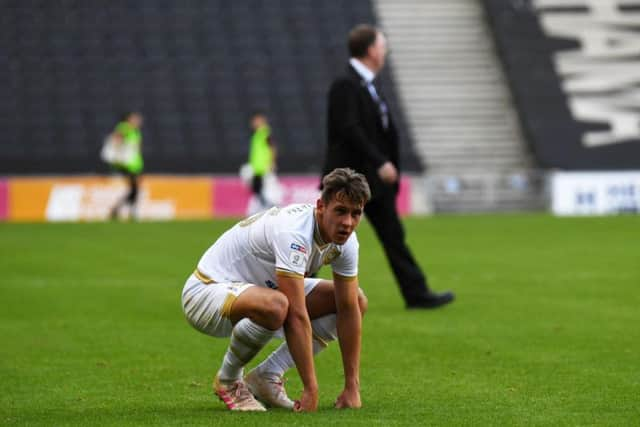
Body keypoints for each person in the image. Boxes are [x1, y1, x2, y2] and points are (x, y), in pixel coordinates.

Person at [182, 168, 369, 412]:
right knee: (278, 305)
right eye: (341, 211)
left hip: (258, 294)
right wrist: (311, 388)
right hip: (205, 293)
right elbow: (296, 314)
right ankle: (228, 380)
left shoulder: (346, 242)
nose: (348, 222)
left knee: (356, 300)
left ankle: (267, 376)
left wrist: (351, 387)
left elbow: (347, 308)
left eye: (356, 214)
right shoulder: (294, 232)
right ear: (321, 206)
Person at [322, 24, 454, 309]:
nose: (386, 51)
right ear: (370, 50)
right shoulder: (345, 84)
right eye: (383, 45)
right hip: (347, 182)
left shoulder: (369, 86)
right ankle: (290, 289)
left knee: (394, 236)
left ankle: (416, 294)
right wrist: (380, 161)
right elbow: (349, 129)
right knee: (323, 239)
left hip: (372, 182)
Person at [108, 111, 144, 220]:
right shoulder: (124, 127)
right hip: (127, 164)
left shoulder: (136, 131)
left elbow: (136, 147)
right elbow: (116, 139)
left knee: (135, 189)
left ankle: (120, 209)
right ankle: (127, 211)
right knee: (134, 189)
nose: (138, 121)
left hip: (136, 164)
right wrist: (117, 155)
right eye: (135, 118)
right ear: (129, 119)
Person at [247, 112, 277, 214]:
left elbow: (272, 148)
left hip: (264, 168)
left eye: (256, 120)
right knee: (257, 190)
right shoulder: (257, 134)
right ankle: (265, 207)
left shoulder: (265, 133)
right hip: (257, 168)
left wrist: (272, 163)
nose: (254, 123)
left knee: (262, 190)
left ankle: (268, 208)